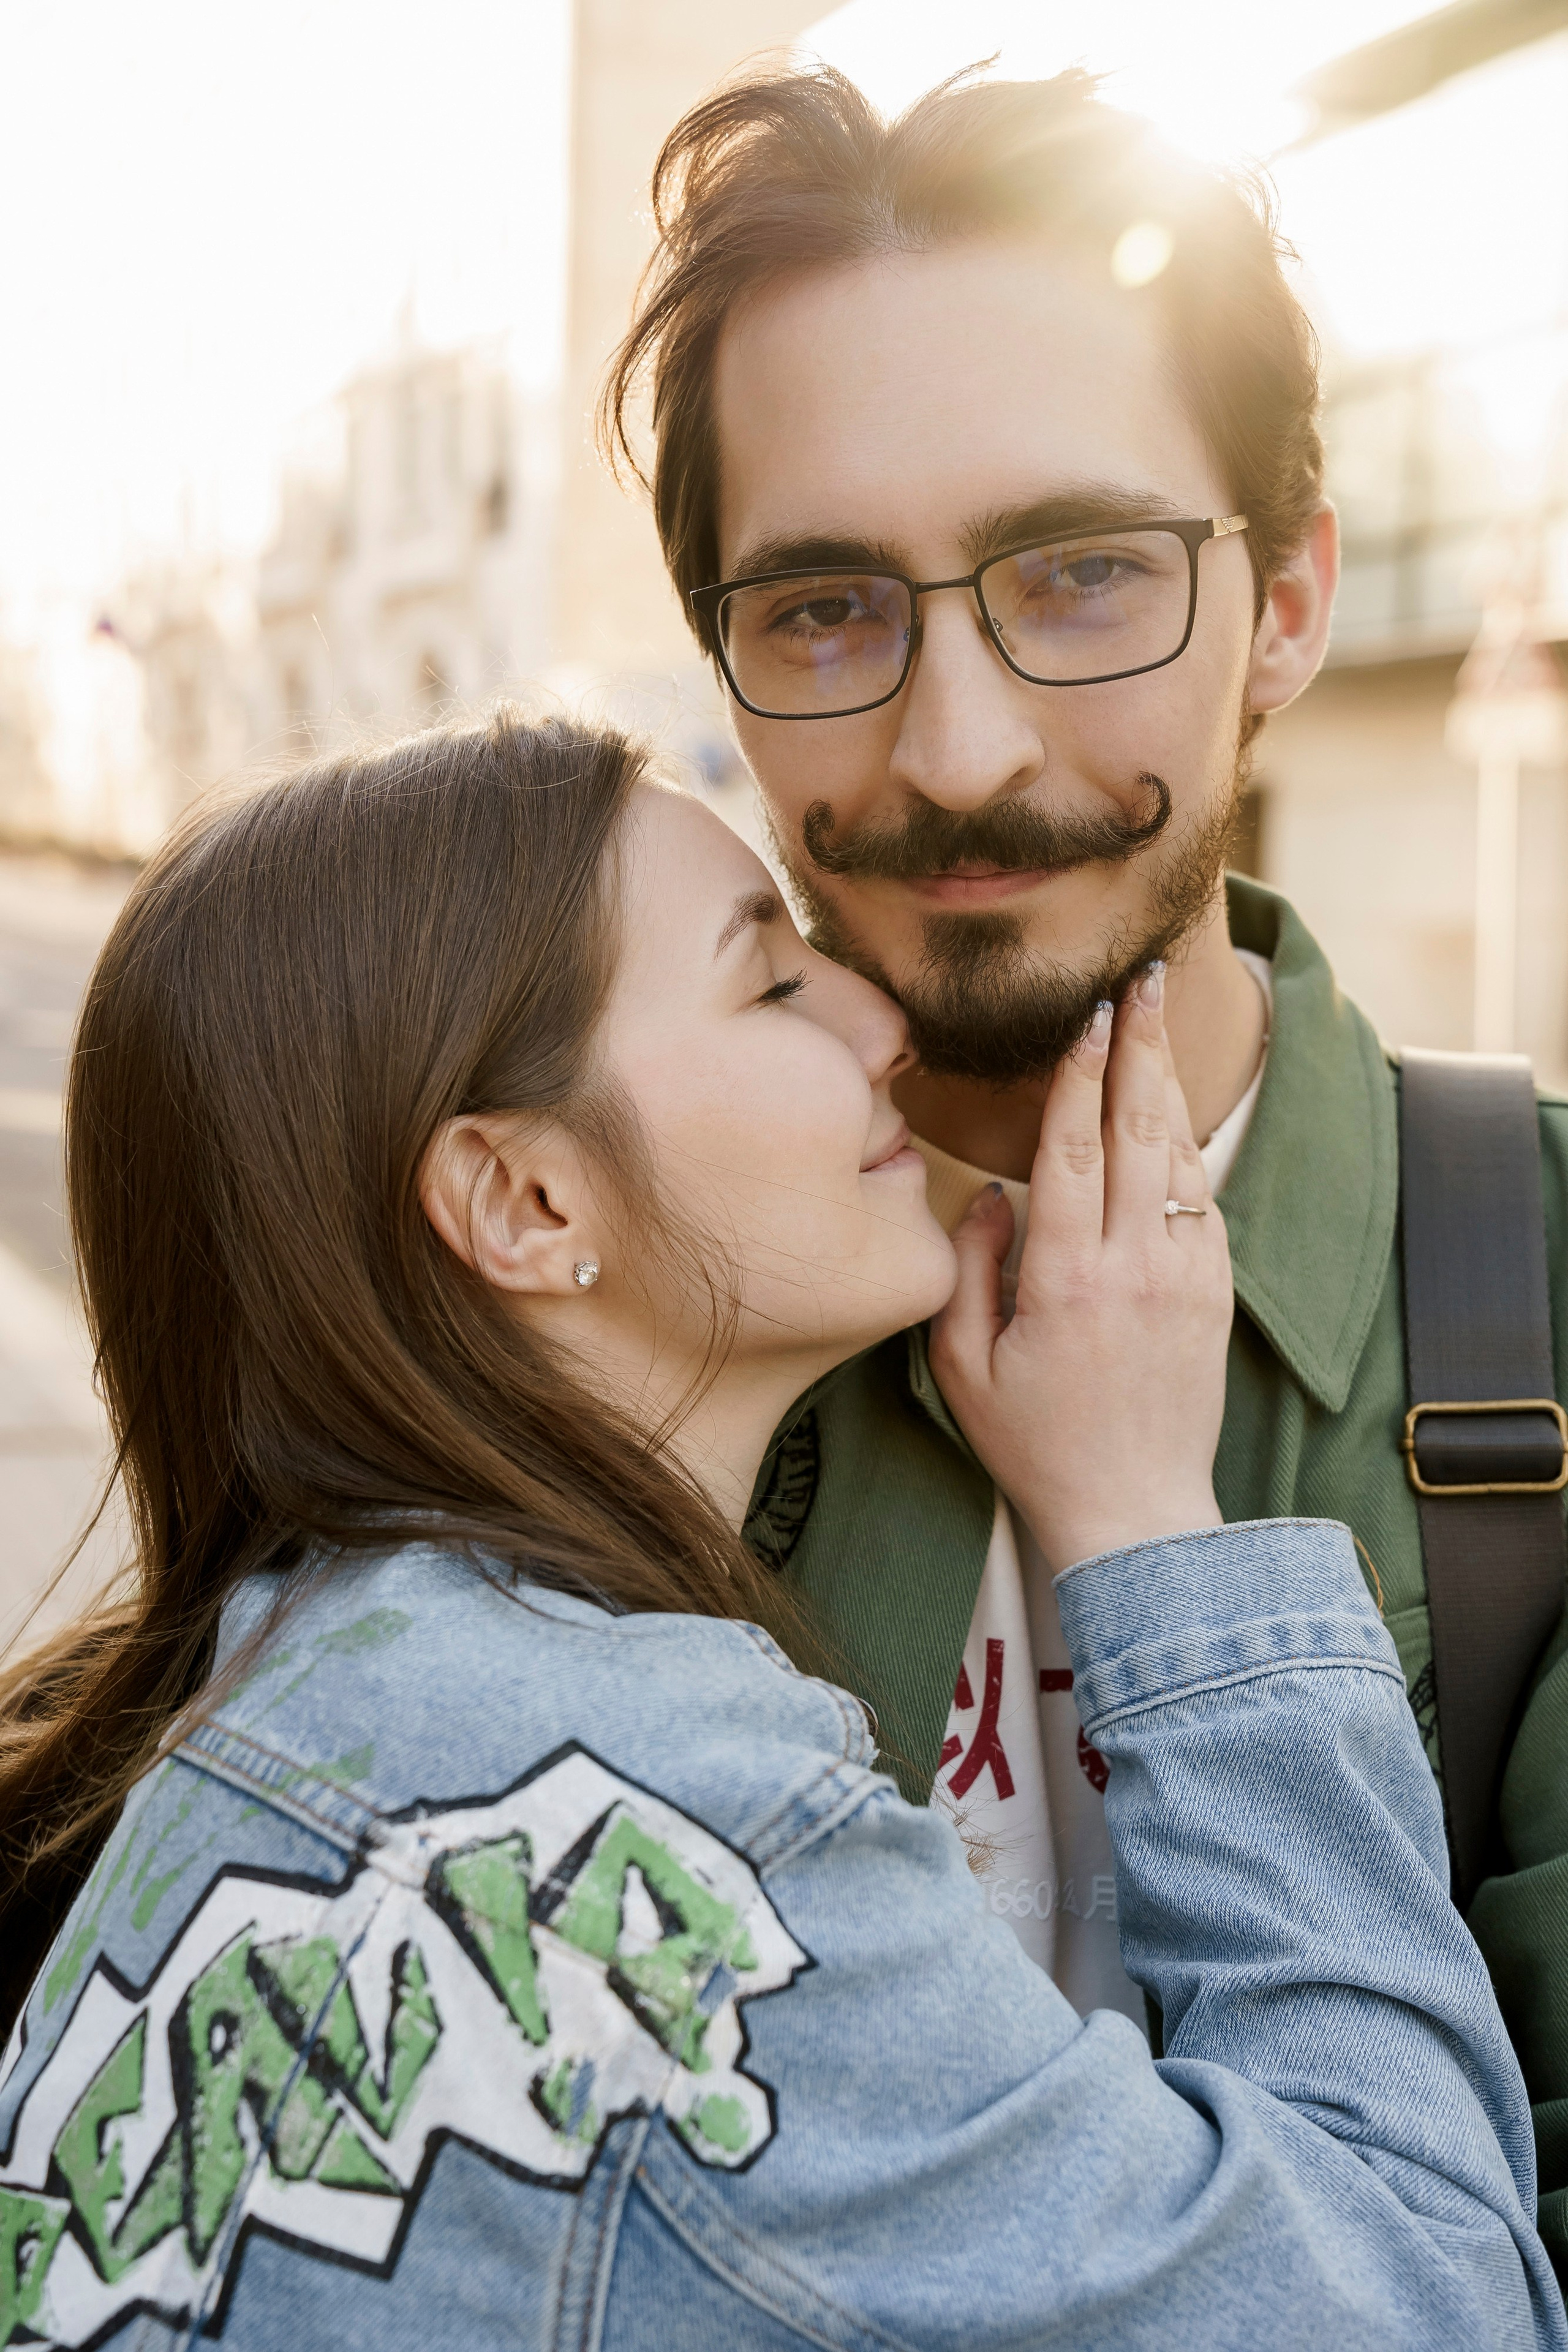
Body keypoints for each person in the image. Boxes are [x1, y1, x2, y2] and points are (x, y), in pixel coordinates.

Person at [0, 709, 1557, 2345]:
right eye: (771, 980)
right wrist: (1149, 1519)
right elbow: (1429, 2294)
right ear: (526, 1204)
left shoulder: (261, 1720)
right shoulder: (639, 1834)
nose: (882, 1017)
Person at [604, 54, 1568, 2254]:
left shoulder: (1554, 1288)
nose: (955, 753)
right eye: (826, 612)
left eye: (1084, 575)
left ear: (1291, 607)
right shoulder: (568, 1304)